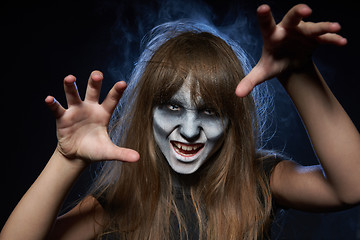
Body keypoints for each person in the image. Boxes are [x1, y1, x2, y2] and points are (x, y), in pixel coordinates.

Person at [1, 4, 359, 240]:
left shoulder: (260, 177)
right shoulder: (122, 200)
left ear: (232, 120)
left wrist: (299, 74)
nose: (189, 130)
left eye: (209, 112)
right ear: (147, 112)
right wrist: (67, 159)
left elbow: (352, 187)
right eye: (172, 108)